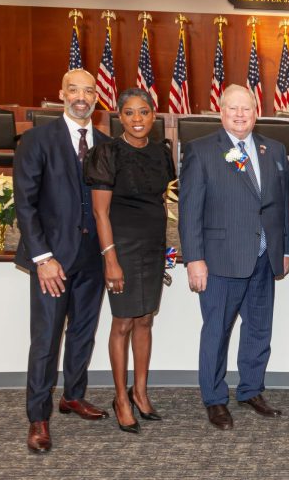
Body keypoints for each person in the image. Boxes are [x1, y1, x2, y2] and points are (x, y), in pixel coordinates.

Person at [178, 84, 289, 430]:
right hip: (220, 261)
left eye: (247, 108)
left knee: (259, 329)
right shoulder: (200, 151)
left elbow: (281, 205)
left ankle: (251, 389)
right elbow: (190, 212)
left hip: (263, 258)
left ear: (256, 112)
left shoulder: (273, 149)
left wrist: (285, 247)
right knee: (217, 331)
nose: (240, 115)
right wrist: (194, 259)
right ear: (221, 111)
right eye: (233, 109)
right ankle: (214, 399)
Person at [14, 69, 111, 453]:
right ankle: (38, 416)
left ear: (96, 98)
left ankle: (73, 394)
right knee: (46, 340)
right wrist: (43, 258)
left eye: (89, 91)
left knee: (83, 334)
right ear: (62, 93)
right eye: (75, 89)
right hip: (51, 262)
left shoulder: (104, 143)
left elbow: (108, 205)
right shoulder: (37, 139)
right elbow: (26, 203)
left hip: (92, 260)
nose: (82, 97)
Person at [84, 88, 175, 433]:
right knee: (122, 322)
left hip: (153, 247)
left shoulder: (161, 153)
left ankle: (140, 391)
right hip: (121, 247)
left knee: (146, 320)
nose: (138, 119)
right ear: (119, 117)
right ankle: (120, 397)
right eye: (130, 113)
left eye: (144, 112)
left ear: (154, 116)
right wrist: (111, 260)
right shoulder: (106, 153)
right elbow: (100, 212)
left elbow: (163, 201)